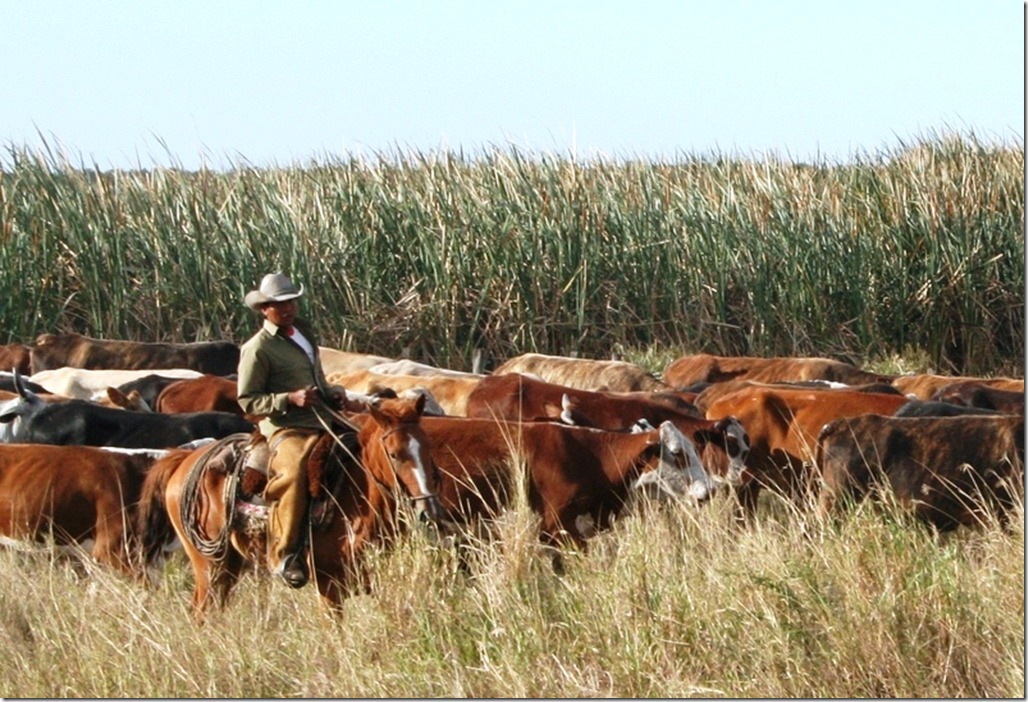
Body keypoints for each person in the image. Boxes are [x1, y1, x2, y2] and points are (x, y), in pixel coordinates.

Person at [237, 272, 359, 588]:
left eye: (291, 301)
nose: (288, 307)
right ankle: (285, 554)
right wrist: (288, 398)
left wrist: (331, 391)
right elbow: (248, 401)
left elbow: (316, 377)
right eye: (279, 304)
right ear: (264, 309)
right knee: (293, 473)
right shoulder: (258, 348)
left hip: (323, 417)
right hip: (285, 426)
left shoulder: (302, 333)